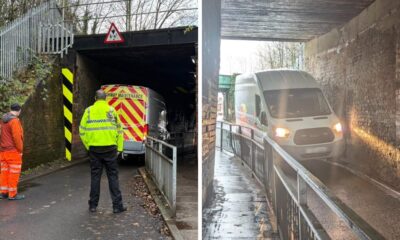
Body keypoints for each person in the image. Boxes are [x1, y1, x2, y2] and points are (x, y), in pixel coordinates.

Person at [79, 90, 127, 213]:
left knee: (95, 177)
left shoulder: (88, 111)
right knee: (113, 177)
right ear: (105, 99)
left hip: (94, 149)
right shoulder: (112, 111)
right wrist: (120, 148)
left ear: (95, 98)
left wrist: (88, 145)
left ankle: (93, 206)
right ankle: (117, 206)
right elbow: (120, 131)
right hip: (110, 149)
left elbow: (82, 131)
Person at [0, 103, 24, 200]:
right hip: (13, 151)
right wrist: (20, 149)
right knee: (13, 173)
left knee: (4, 172)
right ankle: (12, 194)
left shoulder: (3, 120)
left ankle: (3, 192)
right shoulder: (14, 121)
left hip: (2, 151)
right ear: (19, 111)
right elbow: (17, 137)